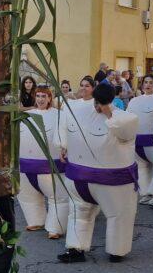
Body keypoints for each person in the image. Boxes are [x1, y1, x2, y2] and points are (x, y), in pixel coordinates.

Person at [57, 82, 140, 263]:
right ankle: (76, 248)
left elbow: (124, 131)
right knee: (79, 213)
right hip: (80, 178)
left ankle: (116, 251)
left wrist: (107, 110)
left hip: (110, 182)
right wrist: (64, 146)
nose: (97, 105)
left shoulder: (125, 118)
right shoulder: (77, 111)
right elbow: (66, 128)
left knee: (117, 215)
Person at [17, 86, 69, 239]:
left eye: (43, 96)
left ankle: (56, 227)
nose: (40, 99)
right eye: (38, 96)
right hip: (26, 166)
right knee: (28, 197)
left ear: (49, 98)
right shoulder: (25, 116)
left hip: (52, 167)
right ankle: (36, 220)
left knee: (58, 198)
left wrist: (65, 149)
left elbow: (65, 136)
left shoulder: (59, 116)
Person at [127, 75, 153, 209]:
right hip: (138, 142)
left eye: (151, 82)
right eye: (146, 82)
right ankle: (145, 193)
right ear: (142, 85)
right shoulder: (134, 101)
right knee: (142, 169)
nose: (148, 85)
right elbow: (128, 119)